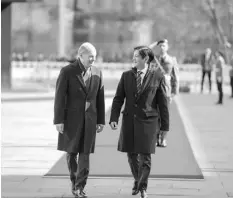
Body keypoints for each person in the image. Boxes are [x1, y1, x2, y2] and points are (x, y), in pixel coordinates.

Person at [109, 46, 169, 198]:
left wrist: (165, 127)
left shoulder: (158, 75)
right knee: (131, 155)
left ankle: (142, 187)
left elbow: (163, 104)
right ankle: (138, 180)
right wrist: (114, 118)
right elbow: (118, 99)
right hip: (129, 121)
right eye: (133, 55)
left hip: (149, 122)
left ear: (145, 59)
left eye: (136, 56)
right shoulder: (126, 76)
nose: (133, 58)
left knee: (145, 157)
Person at [53, 42, 105, 197]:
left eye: (94, 57)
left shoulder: (97, 72)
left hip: (89, 120)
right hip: (71, 120)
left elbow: (99, 98)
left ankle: (80, 187)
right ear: (80, 55)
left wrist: (100, 120)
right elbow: (60, 97)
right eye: (90, 57)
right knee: (71, 153)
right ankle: (75, 181)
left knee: (85, 153)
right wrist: (58, 120)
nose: (92, 60)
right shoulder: (67, 71)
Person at [150, 39, 179, 147]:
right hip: (154, 90)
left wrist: (174, 92)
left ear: (167, 47)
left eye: (164, 46)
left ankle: (163, 138)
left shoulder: (172, 60)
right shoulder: (153, 59)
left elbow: (176, 77)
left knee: (164, 116)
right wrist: (155, 43)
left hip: (166, 90)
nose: (162, 47)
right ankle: (157, 137)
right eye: (160, 46)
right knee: (154, 115)